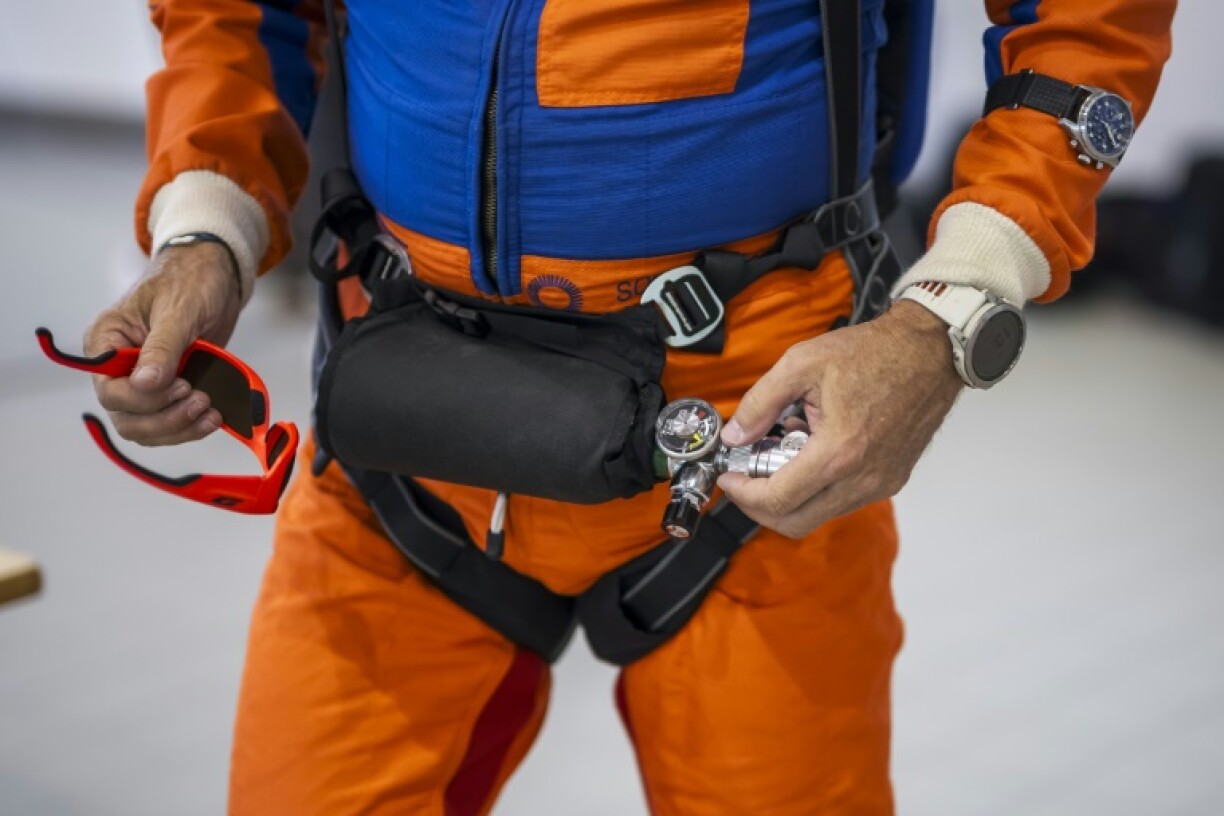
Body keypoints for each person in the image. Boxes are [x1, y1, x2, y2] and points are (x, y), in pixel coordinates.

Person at [84, 1, 1175, 813]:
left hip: (754, 451)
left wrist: (949, 315)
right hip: (402, 439)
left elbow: (1090, 23)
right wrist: (207, 226)